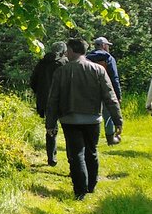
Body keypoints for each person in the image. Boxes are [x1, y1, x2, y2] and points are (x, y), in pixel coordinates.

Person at [45, 37, 123, 200]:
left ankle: (80, 190)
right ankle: (91, 185)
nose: (66, 52)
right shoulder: (98, 70)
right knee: (91, 151)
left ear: (72, 50)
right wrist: (117, 120)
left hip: (69, 119)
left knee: (75, 154)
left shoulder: (61, 71)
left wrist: (50, 124)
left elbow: (53, 99)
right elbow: (110, 96)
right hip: (93, 119)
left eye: (67, 50)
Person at [29, 41, 68, 166]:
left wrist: (40, 94)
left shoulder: (42, 63)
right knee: (69, 130)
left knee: (50, 128)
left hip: (46, 100)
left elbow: (33, 81)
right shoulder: (65, 63)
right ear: (63, 51)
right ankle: (73, 159)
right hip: (63, 101)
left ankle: (51, 157)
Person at [85, 36, 122, 145]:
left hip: (90, 90)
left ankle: (90, 139)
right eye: (108, 46)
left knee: (91, 115)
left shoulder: (87, 58)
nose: (108, 48)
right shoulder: (109, 58)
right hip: (106, 89)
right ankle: (110, 139)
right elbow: (114, 78)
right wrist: (118, 95)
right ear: (104, 46)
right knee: (108, 115)